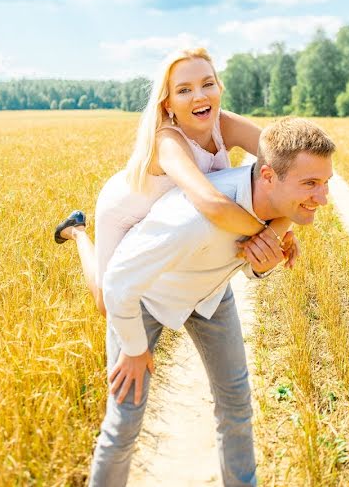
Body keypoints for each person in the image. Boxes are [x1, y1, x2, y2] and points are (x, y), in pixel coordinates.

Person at [90, 116, 336, 486]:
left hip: (209, 297)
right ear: (268, 177)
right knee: (125, 422)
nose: (323, 198)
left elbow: (244, 263)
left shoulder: (274, 209)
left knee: (236, 405)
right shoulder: (191, 221)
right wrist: (135, 348)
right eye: (310, 184)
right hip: (148, 300)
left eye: (325, 183)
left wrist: (263, 265)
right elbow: (118, 283)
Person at [54, 48, 296, 318]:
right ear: (168, 104)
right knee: (107, 303)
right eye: (184, 90)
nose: (200, 96)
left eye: (207, 84)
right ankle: (77, 231)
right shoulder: (167, 140)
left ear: (219, 87)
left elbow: (290, 167)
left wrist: (280, 227)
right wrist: (271, 234)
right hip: (125, 211)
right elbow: (212, 205)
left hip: (167, 212)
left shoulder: (225, 124)